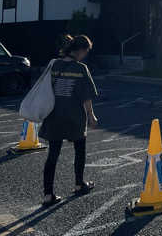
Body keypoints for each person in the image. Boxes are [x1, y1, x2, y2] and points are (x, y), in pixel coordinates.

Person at [39, 34, 99, 206]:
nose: (85, 55)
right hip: (74, 117)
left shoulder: (53, 65)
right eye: (85, 52)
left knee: (53, 155)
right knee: (80, 150)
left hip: (54, 116)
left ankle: (48, 195)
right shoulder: (80, 69)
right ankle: (79, 184)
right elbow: (86, 96)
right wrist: (91, 115)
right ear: (80, 50)